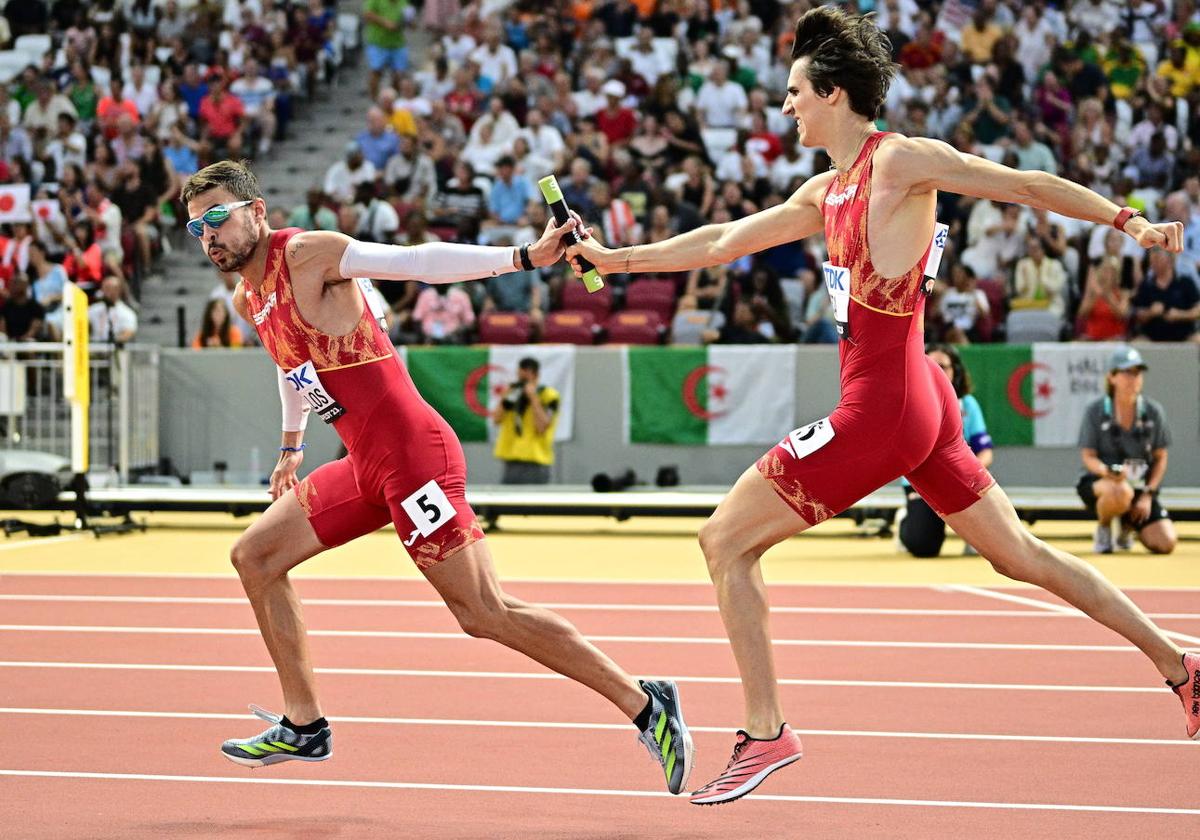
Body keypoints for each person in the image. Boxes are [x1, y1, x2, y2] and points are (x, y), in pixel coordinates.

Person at [567, 6, 1197, 806]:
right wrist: (613, 259)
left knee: (724, 539)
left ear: (832, 93)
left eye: (794, 91)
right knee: (1022, 557)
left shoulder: (899, 162)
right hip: (920, 398)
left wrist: (1127, 220)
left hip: (888, 407)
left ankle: (766, 731)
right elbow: (723, 239)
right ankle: (1182, 666)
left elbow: (1024, 185)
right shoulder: (823, 191)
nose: (786, 105)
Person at [179, 160, 692, 795]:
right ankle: (303, 724)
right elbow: (294, 368)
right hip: (365, 467)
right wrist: (291, 447)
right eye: (196, 225)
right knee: (254, 557)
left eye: (218, 217)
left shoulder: (309, 256)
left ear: (257, 212)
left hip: (415, 460)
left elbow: (420, 260)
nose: (208, 234)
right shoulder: (247, 295)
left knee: (484, 612)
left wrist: (524, 258)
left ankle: (645, 702)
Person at [1076, 347, 1176, 555]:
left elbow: (1161, 458)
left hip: (1140, 487)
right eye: (1127, 372)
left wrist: (1148, 494)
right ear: (1112, 377)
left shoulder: (1153, 411)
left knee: (1165, 542)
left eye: (1138, 372)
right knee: (1120, 491)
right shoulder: (1095, 410)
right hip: (1103, 484)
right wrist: (1108, 472)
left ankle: (1127, 527)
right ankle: (1104, 527)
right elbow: (1088, 456)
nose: (1134, 378)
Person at [898, 344, 993, 557]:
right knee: (924, 547)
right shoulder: (908, 401)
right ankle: (906, 519)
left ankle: (976, 534)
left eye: (944, 366)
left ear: (955, 371)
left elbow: (985, 452)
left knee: (992, 545)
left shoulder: (968, 405)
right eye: (931, 365)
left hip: (961, 480)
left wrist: (966, 474)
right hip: (922, 483)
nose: (938, 371)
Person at [491, 357, 557, 485]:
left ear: (536, 375)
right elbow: (496, 419)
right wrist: (505, 397)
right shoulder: (513, 394)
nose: (523, 383)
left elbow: (542, 427)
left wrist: (533, 398)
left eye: (526, 379)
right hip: (511, 458)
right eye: (520, 379)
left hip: (535, 459)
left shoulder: (548, 396)